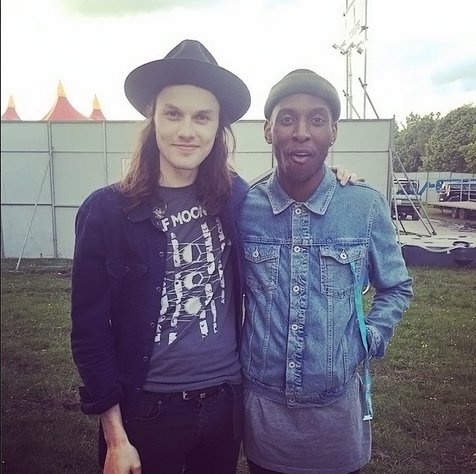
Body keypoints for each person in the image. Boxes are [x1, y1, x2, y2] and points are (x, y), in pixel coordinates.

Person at [70, 39, 356, 474]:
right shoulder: (107, 212)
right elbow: (90, 332)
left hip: (226, 406)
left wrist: (333, 180)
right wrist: (115, 436)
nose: (188, 130)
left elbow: (295, 197)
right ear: (153, 119)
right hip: (145, 413)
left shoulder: (239, 199)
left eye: (202, 117)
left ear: (219, 127)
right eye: (173, 114)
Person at [239, 69, 413, 474]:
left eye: (317, 119)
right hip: (264, 420)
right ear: (268, 130)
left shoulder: (364, 206)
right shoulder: (242, 207)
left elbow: (396, 287)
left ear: (333, 131)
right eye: (287, 119)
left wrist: (367, 338)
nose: (301, 132)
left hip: (336, 420)